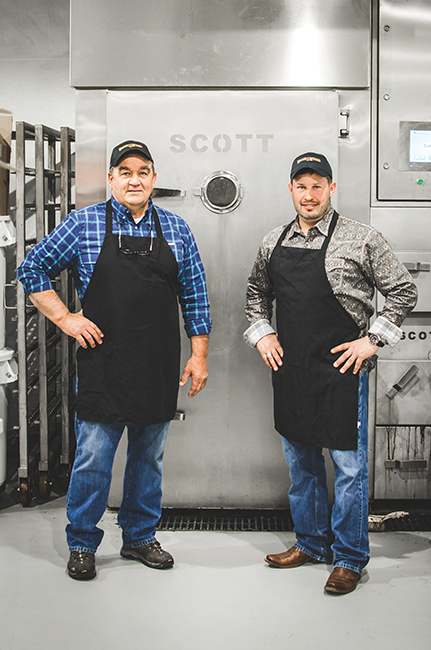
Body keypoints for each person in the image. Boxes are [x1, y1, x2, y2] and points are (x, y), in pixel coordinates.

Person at [17, 140, 211, 580]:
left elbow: (196, 297)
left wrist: (199, 356)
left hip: (158, 363)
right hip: (104, 364)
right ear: (111, 179)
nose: (134, 179)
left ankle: (140, 537)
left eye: (143, 171)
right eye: (125, 171)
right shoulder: (84, 223)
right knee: (93, 459)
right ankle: (83, 543)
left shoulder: (176, 230)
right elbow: (32, 268)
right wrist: (64, 318)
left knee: (148, 459)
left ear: (153, 179)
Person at [244, 152, 417, 595]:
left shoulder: (361, 238)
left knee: (348, 469)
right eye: (301, 185)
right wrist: (263, 334)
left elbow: (403, 290)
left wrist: (372, 340)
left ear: (331, 188)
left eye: (318, 185)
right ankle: (310, 543)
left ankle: (350, 557)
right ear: (291, 190)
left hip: (344, 369)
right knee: (301, 465)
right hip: (292, 369)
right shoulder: (272, 241)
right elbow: (255, 295)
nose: (309, 194)